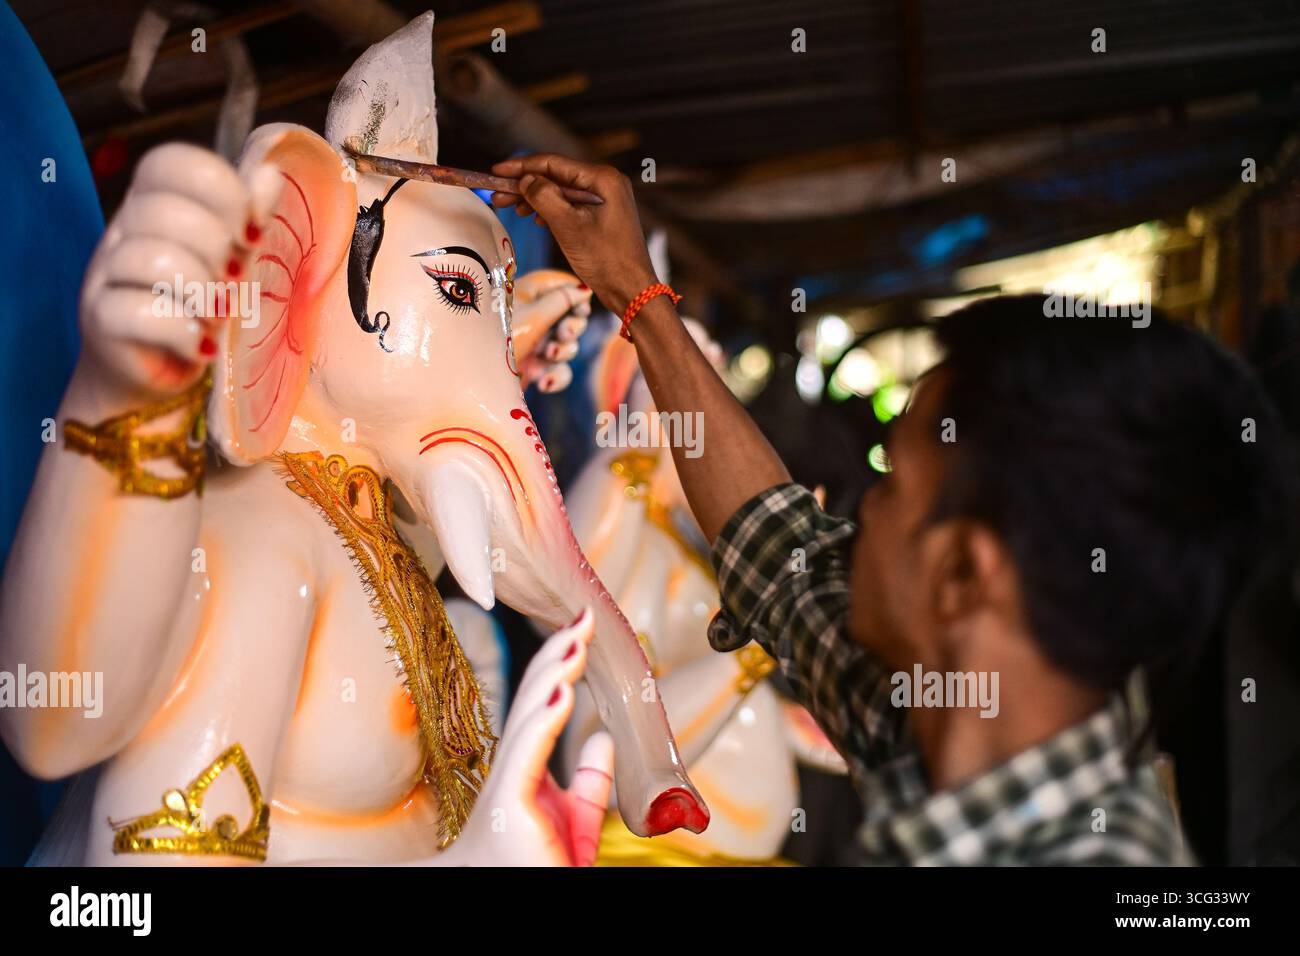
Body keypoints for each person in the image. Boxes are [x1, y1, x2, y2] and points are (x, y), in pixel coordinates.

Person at [491, 156, 1299, 865]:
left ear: (960, 573)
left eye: (891, 486)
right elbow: (783, 556)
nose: (856, 516)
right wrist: (639, 296)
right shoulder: (929, 717)